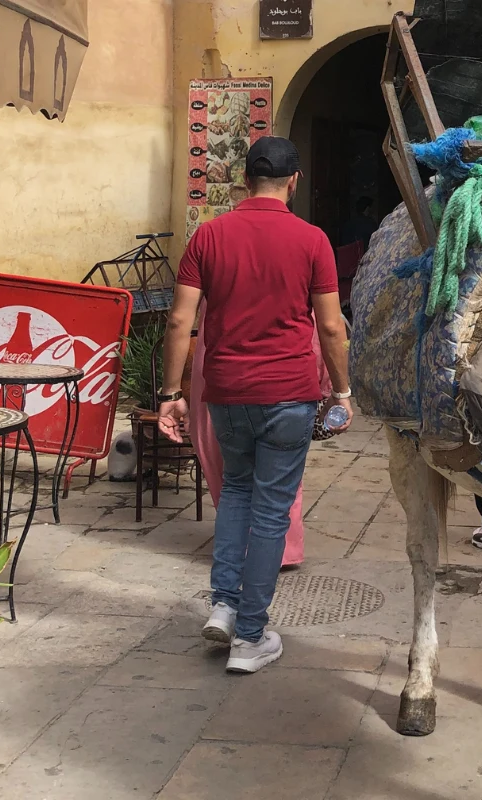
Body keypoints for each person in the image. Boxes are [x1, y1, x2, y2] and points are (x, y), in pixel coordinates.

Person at [158, 136, 353, 674]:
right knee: (271, 509)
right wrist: (341, 392)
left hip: (225, 391)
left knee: (237, 494)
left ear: (244, 180)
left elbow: (180, 321)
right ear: (295, 182)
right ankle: (250, 634)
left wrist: (171, 394)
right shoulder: (313, 240)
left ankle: (223, 605)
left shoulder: (209, 236)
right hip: (289, 392)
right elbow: (332, 326)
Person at [188, 300, 332, 570]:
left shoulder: (208, 256)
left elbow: (179, 319)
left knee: (231, 478)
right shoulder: (303, 258)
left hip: (221, 375)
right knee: (281, 476)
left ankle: (237, 553)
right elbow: (324, 326)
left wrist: (170, 391)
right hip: (285, 379)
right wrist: (330, 385)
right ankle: (279, 551)